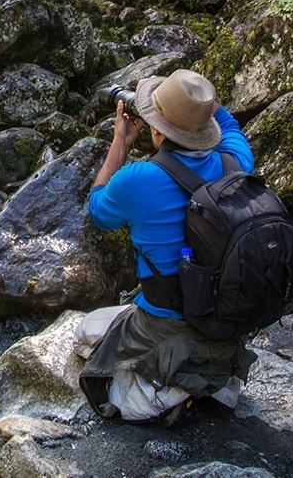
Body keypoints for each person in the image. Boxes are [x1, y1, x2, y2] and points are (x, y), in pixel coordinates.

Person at [75, 68, 255, 426]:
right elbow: (229, 124)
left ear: (156, 129)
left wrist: (121, 143)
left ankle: (169, 390)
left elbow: (97, 210)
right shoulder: (236, 163)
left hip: (166, 324)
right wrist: (197, 101)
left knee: (86, 334)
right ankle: (215, 377)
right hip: (228, 320)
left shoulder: (138, 180)